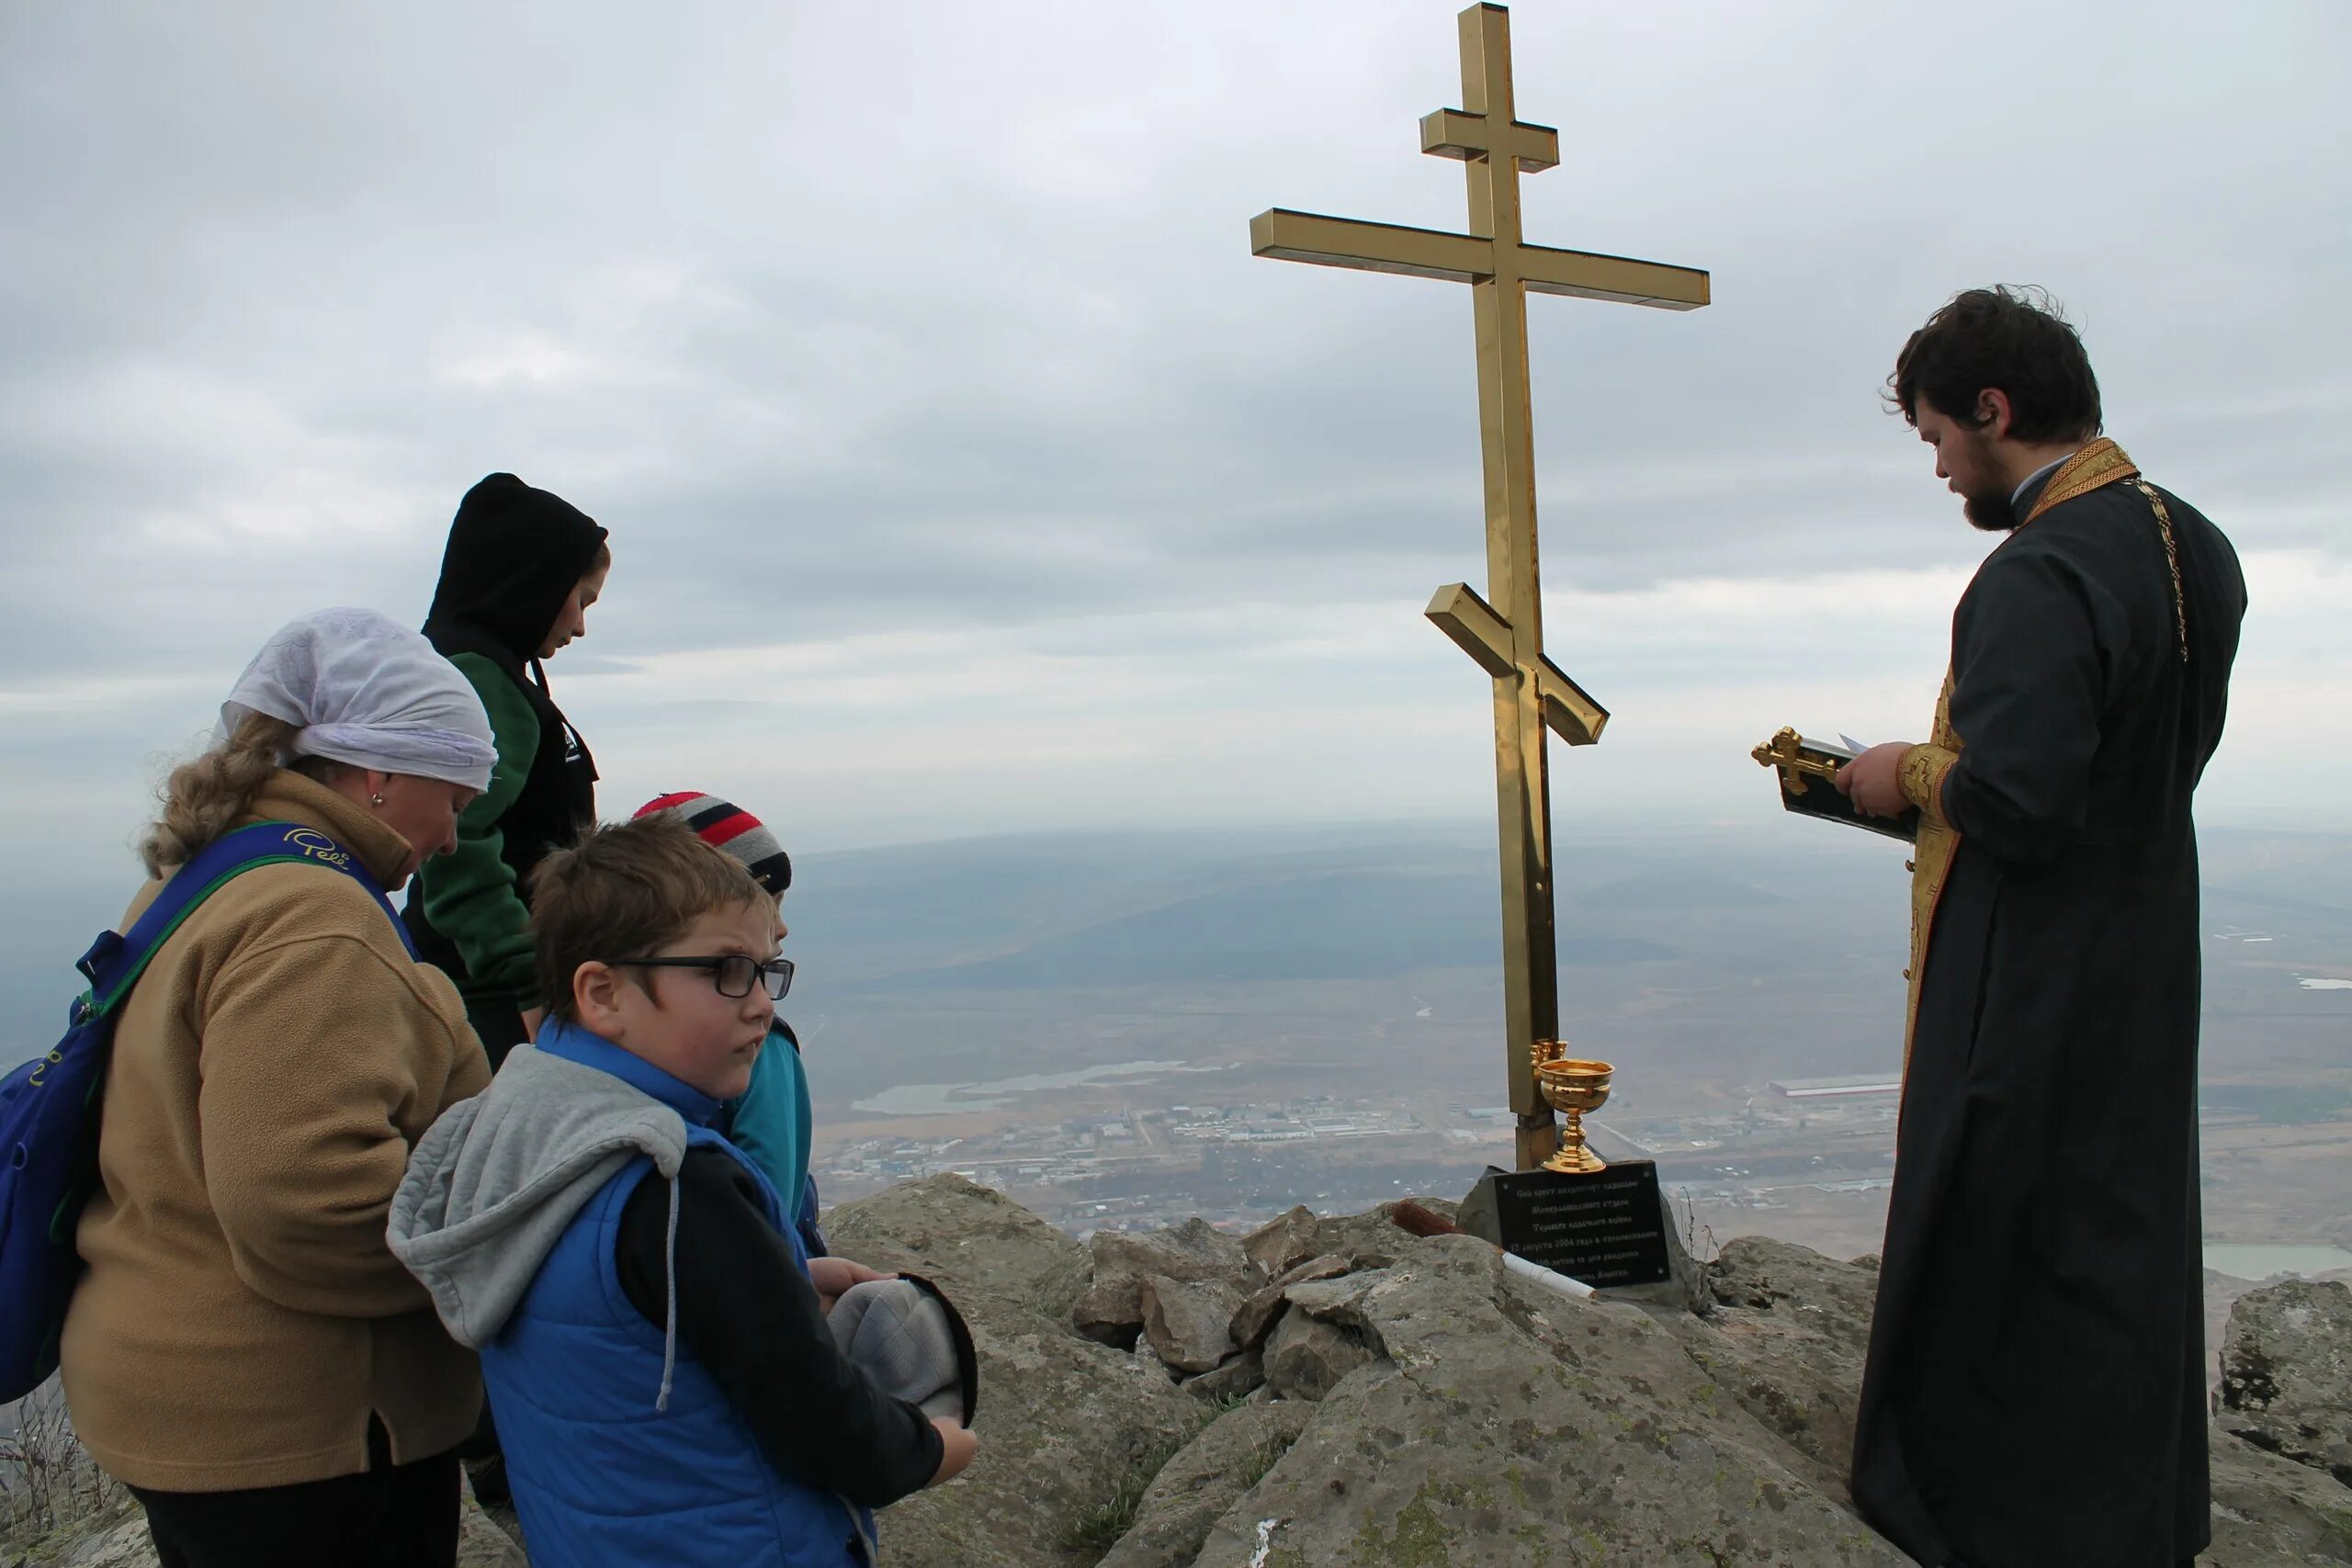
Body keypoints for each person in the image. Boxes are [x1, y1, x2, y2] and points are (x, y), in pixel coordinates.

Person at [1837, 287, 2245, 1567]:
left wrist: (1900, 771)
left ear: (1993, 410)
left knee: (2005, 1224)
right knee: (2115, 1230)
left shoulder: (2038, 568)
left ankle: (1989, 1513)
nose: (1943, 466)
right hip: (2145, 937)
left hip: (2032, 963)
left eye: (1938, 437)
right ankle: (2136, 1517)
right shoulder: (2196, 540)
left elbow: (2016, 793)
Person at [389, 817, 976, 1567]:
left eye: (768, 971)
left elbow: (605, 1316)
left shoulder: (512, 1130)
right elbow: (822, 1421)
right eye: (728, 970)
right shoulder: (675, 1185)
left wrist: (769, 1277)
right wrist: (932, 1448)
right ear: (603, 993)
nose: (761, 1002)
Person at [59, 609, 500, 1568]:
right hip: (299, 1435)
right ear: (378, 772)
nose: (454, 837)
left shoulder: (216, 874)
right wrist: (500, 1266)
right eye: (452, 796)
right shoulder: (316, 916)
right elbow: (302, 1201)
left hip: (188, 1396)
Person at [405, 471, 611, 1069]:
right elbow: (458, 843)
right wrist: (526, 978)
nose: (579, 626)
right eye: (580, 600)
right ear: (536, 585)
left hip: (483, 981)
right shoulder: (479, 681)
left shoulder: (483, 671)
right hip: (489, 997)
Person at [629, 790, 828, 1256]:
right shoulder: (763, 1043)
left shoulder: (625, 1032)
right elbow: (774, 1194)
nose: (781, 928)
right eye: (768, 903)